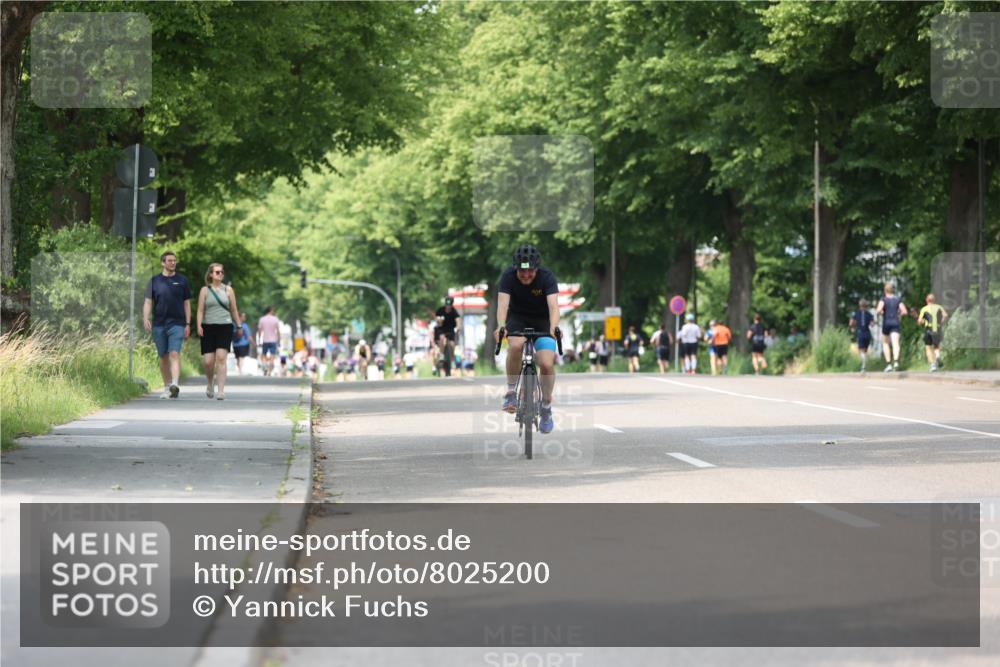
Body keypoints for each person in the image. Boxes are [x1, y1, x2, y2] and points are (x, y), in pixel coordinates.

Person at [494, 244, 560, 434]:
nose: (526, 275)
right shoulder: (507, 277)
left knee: (546, 363)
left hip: (543, 320)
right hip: (518, 319)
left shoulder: (547, 277)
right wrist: (501, 326)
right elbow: (502, 305)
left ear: (537, 268)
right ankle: (511, 391)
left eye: (530, 270)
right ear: (516, 268)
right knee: (515, 345)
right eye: (522, 271)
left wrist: (554, 327)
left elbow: (554, 307)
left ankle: (546, 406)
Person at [143, 251, 192, 399]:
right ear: (163, 263)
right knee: (163, 357)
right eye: (170, 261)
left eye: (174, 260)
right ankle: (166, 387)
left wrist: (188, 323)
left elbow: (187, 303)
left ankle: (174, 385)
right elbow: (148, 302)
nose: (173, 263)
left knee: (174, 353)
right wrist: (145, 318)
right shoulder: (154, 281)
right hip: (159, 324)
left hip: (177, 323)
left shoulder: (182, 280)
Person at [196, 263, 241, 400]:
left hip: (225, 326)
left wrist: (239, 325)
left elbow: (234, 309)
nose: (220, 274)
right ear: (210, 274)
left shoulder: (228, 290)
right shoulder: (205, 290)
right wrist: (199, 326)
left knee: (221, 358)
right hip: (208, 327)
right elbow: (200, 310)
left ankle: (221, 391)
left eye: (221, 272)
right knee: (208, 362)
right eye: (217, 272)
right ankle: (210, 383)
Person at [876, 283, 908, 372]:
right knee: (895, 343)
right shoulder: (898, 299)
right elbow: (905, 311)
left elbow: (878, 310)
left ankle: (889, 364)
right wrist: (899, 315)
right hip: (895, 322)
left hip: (886, 322)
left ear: (885, 290)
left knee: (885, 343)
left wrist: (882, 312)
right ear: (892, 290)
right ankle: (896, 362)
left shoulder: (883, 299)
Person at [918, 293, 948, 372]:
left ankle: (933, 365)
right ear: (934, 300)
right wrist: (941, 322)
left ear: (926, 300)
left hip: (928, 329)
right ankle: (937, 356)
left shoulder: (924, 309)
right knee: (936, 346)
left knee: (928, 347)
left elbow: (920, 321)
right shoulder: (939, 307)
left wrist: (922, 322)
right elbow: (945, 315)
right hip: (937, 328)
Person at [434, 296, 461, 377]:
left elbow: (458, 320)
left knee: (452, 344)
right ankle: (442, 355)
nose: (448, 306)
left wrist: (458, 327)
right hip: (441, 329)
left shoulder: (454, 311)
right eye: (447, 305)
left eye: (449, 305)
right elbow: (437, 319)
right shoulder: (440, 310)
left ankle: (452, 360)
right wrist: (439, 321)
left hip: (450, 330)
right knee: (442, 338)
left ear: (452, 305)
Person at [849, 299, 875, 373]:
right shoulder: (869, 314)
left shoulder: (856, 314)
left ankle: (864, 364)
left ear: (859, 305)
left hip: (860, 333)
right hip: (867, 333)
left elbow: (851, 323)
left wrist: (853, 327)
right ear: (866, 306)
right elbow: (872, 324)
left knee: (861, 350)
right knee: (865, 350)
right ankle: (865, 364)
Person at [257, 307, 280, 376]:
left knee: (264, 355)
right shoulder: (275, 319)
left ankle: (265, 367)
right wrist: (279, 340)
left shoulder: (262, 319)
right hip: (273, 340)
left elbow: (260, 330)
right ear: (270, 311)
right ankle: (269, 371)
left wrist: (259, 339)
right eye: (272, 310)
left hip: (265, 340)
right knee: (272, 356)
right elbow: (278, 331)